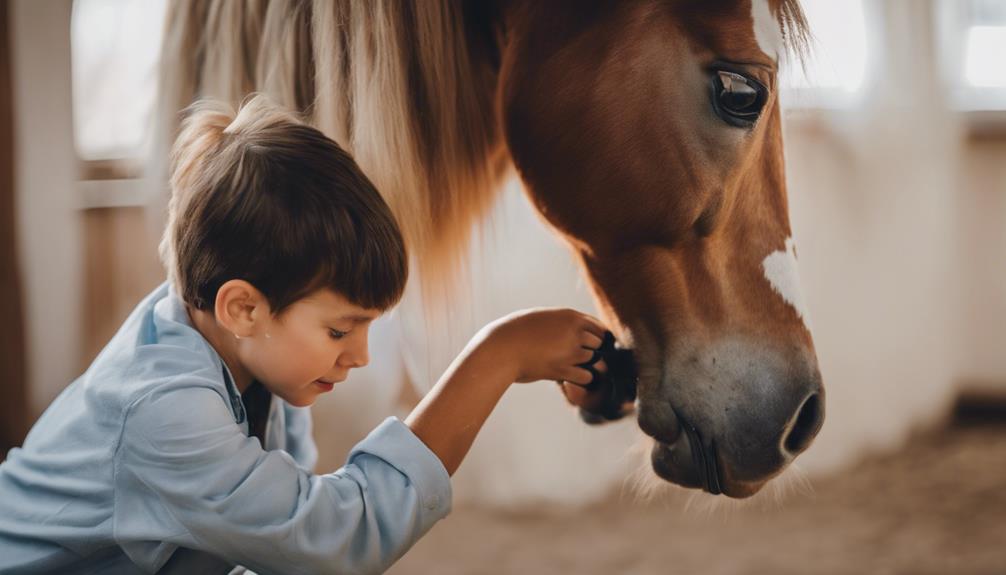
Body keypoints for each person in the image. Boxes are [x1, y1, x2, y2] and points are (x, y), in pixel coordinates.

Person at [0, 95, 609, 574]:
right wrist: (497, 357)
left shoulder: (239, 352)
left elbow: (273, 545)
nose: (361, 356)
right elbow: (335, 542)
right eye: (341, 328)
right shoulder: (165, 407)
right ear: (243, 308)